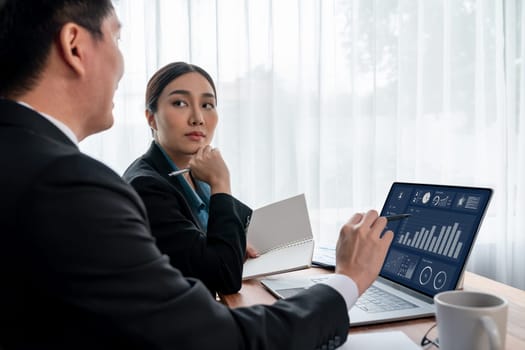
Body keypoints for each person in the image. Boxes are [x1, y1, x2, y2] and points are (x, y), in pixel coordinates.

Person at [0, 1, 394, 349]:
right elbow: (221, 337)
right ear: (74, 45)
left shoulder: (25, 160)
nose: (121, 65)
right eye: (117, 39)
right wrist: (348, 280)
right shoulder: (71, 185)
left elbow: (246, 230)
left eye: (208, 104)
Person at [123, 62, 256, 295]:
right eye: (180, 103)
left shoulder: (194, 174)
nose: (198, 118)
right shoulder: (147, 187)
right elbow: (224, 277)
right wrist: (221, 183)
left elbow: (228, 241)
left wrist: (232, 245)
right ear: (151, 118)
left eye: (207, 105)